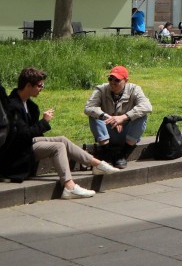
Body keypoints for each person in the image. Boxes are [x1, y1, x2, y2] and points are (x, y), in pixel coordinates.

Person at [0, 67, 117, 197]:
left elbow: (29, 133)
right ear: (28, 85)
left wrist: (41, 123)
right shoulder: (13, 106)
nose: (42, 88)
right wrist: (44, 122)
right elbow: (23, 135)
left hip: (26, 144)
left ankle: (97, 164)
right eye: (39, 85)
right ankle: (69, 186)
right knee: (58, 147)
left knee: (62, 139)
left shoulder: (29, 105)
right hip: (16, 152)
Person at [84, 66, 152, 169]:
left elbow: (147, 106)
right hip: (108, 131)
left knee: (142, 116)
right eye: (110, 79)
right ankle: (108, 152)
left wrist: (124, 117)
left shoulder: (135, 89)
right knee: (93, 115)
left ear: (126, 81)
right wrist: (108, 117)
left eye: (117, 80)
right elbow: (88, 108)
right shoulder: (101, 89)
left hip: (126, 133)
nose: (112, 82)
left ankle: (123, 154)